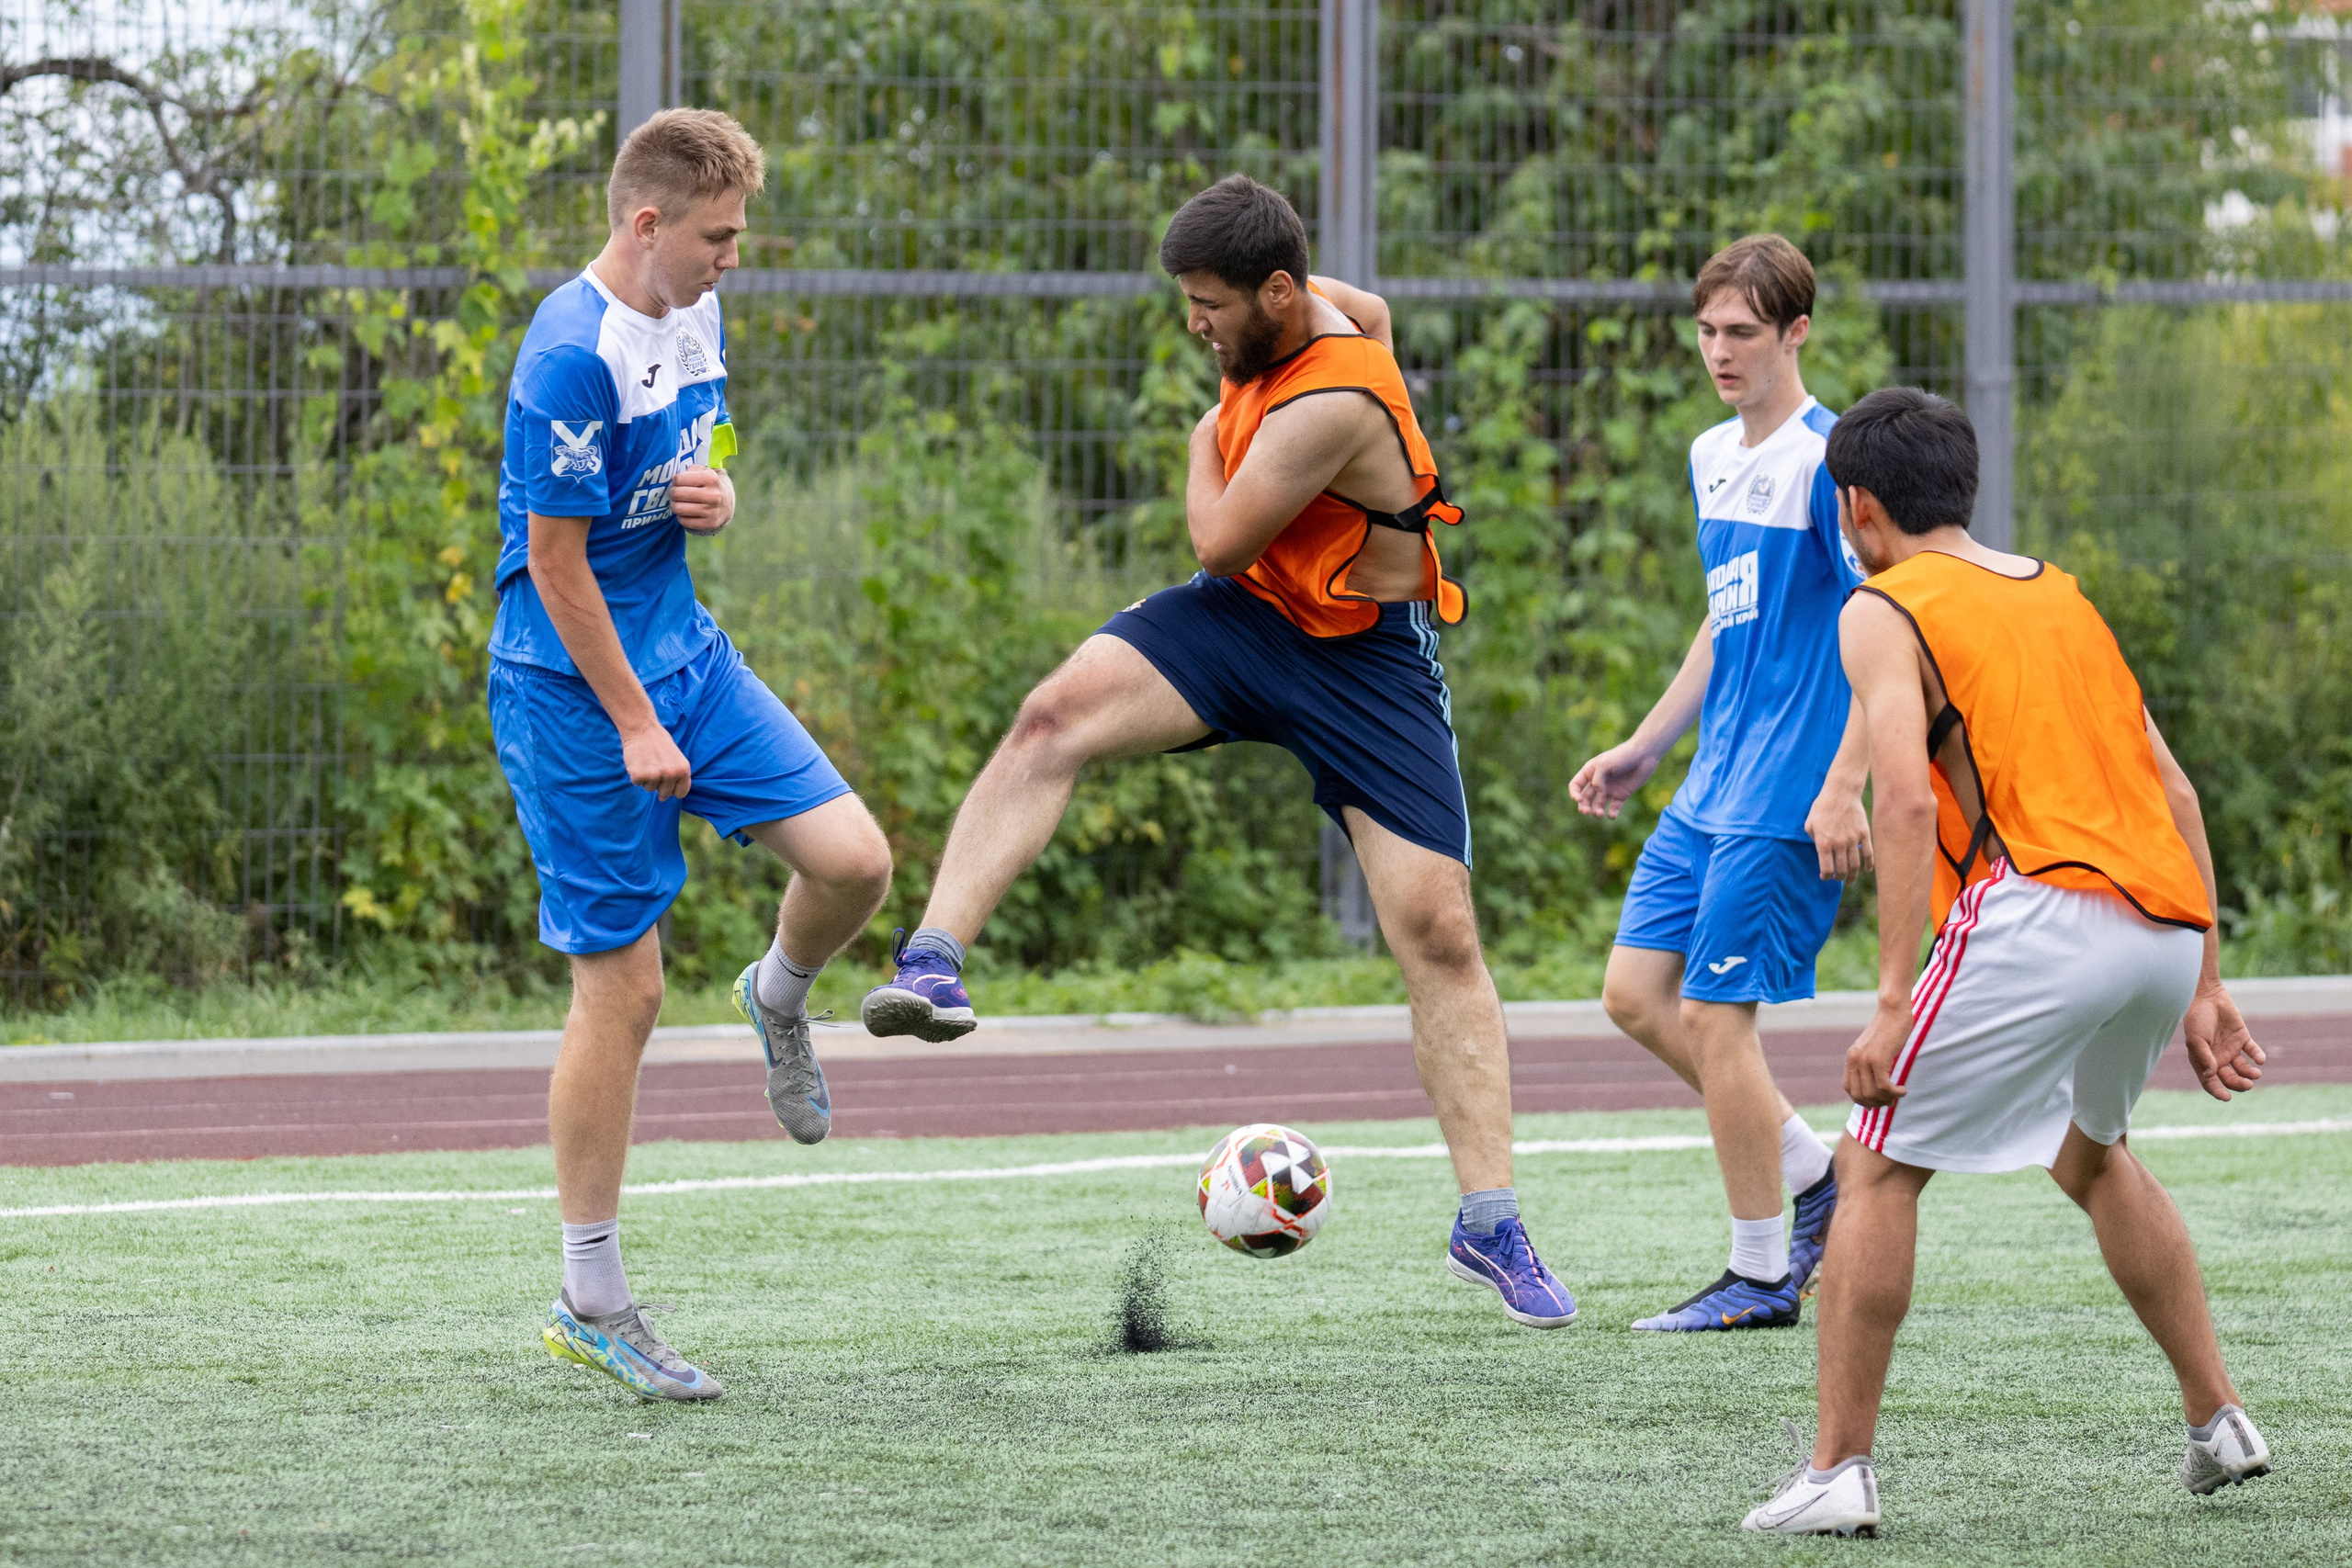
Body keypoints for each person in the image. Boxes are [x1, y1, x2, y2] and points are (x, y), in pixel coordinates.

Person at [860, 174, 1577, 1328]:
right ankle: (934, 958)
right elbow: (1376, 308)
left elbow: (1217, 532)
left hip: (1364, 661)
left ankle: (1487, 1222)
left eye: (1208, 303)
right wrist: (1239, 358)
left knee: (1437, 931)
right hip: (1247, 623)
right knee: (1053, 716)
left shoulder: (1330, 405)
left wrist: (1206, 433)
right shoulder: (1322, 316)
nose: (1194, 323)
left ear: (1279, 293)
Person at [1743, 388, 2270, 1537]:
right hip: (2163, 927)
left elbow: (1896, 795)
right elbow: (2170, 788)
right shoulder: (2058, 592)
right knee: (2093, 1159)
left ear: (1858, 506)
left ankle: (1836, 1472)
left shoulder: (1885, 604)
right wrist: (2210, 982)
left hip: (2042, 912)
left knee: (1875, 1167)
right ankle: (2217, 1419)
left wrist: (1891, 1002)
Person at [489, 108, 893, 1401]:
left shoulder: (692, 306)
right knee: (627, 991)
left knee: (856, 863)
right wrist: (633, 722)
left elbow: (701, 447)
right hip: (574, 688)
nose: (736, 258)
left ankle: (778, 990)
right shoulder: (567, 354)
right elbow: (555, 566)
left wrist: (720, 483)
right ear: (647, 222)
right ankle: (589, 1297)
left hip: (687, 653)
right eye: (719, 236)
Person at [1568, 235, 1869, 1332]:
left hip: (1788, 791)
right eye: (1705, 332)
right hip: (1710, 781)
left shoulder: (1832, 463)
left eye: (1741, 332)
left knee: (1715, 1014)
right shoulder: (1708, 454)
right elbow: (1722, 615)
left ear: (1795, 331)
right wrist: (1647, 743)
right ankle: (1813, 1175)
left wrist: (1845, 786)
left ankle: (1758, 1277)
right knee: (1635, 996)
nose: (1718, 352)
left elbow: (1888, 627)